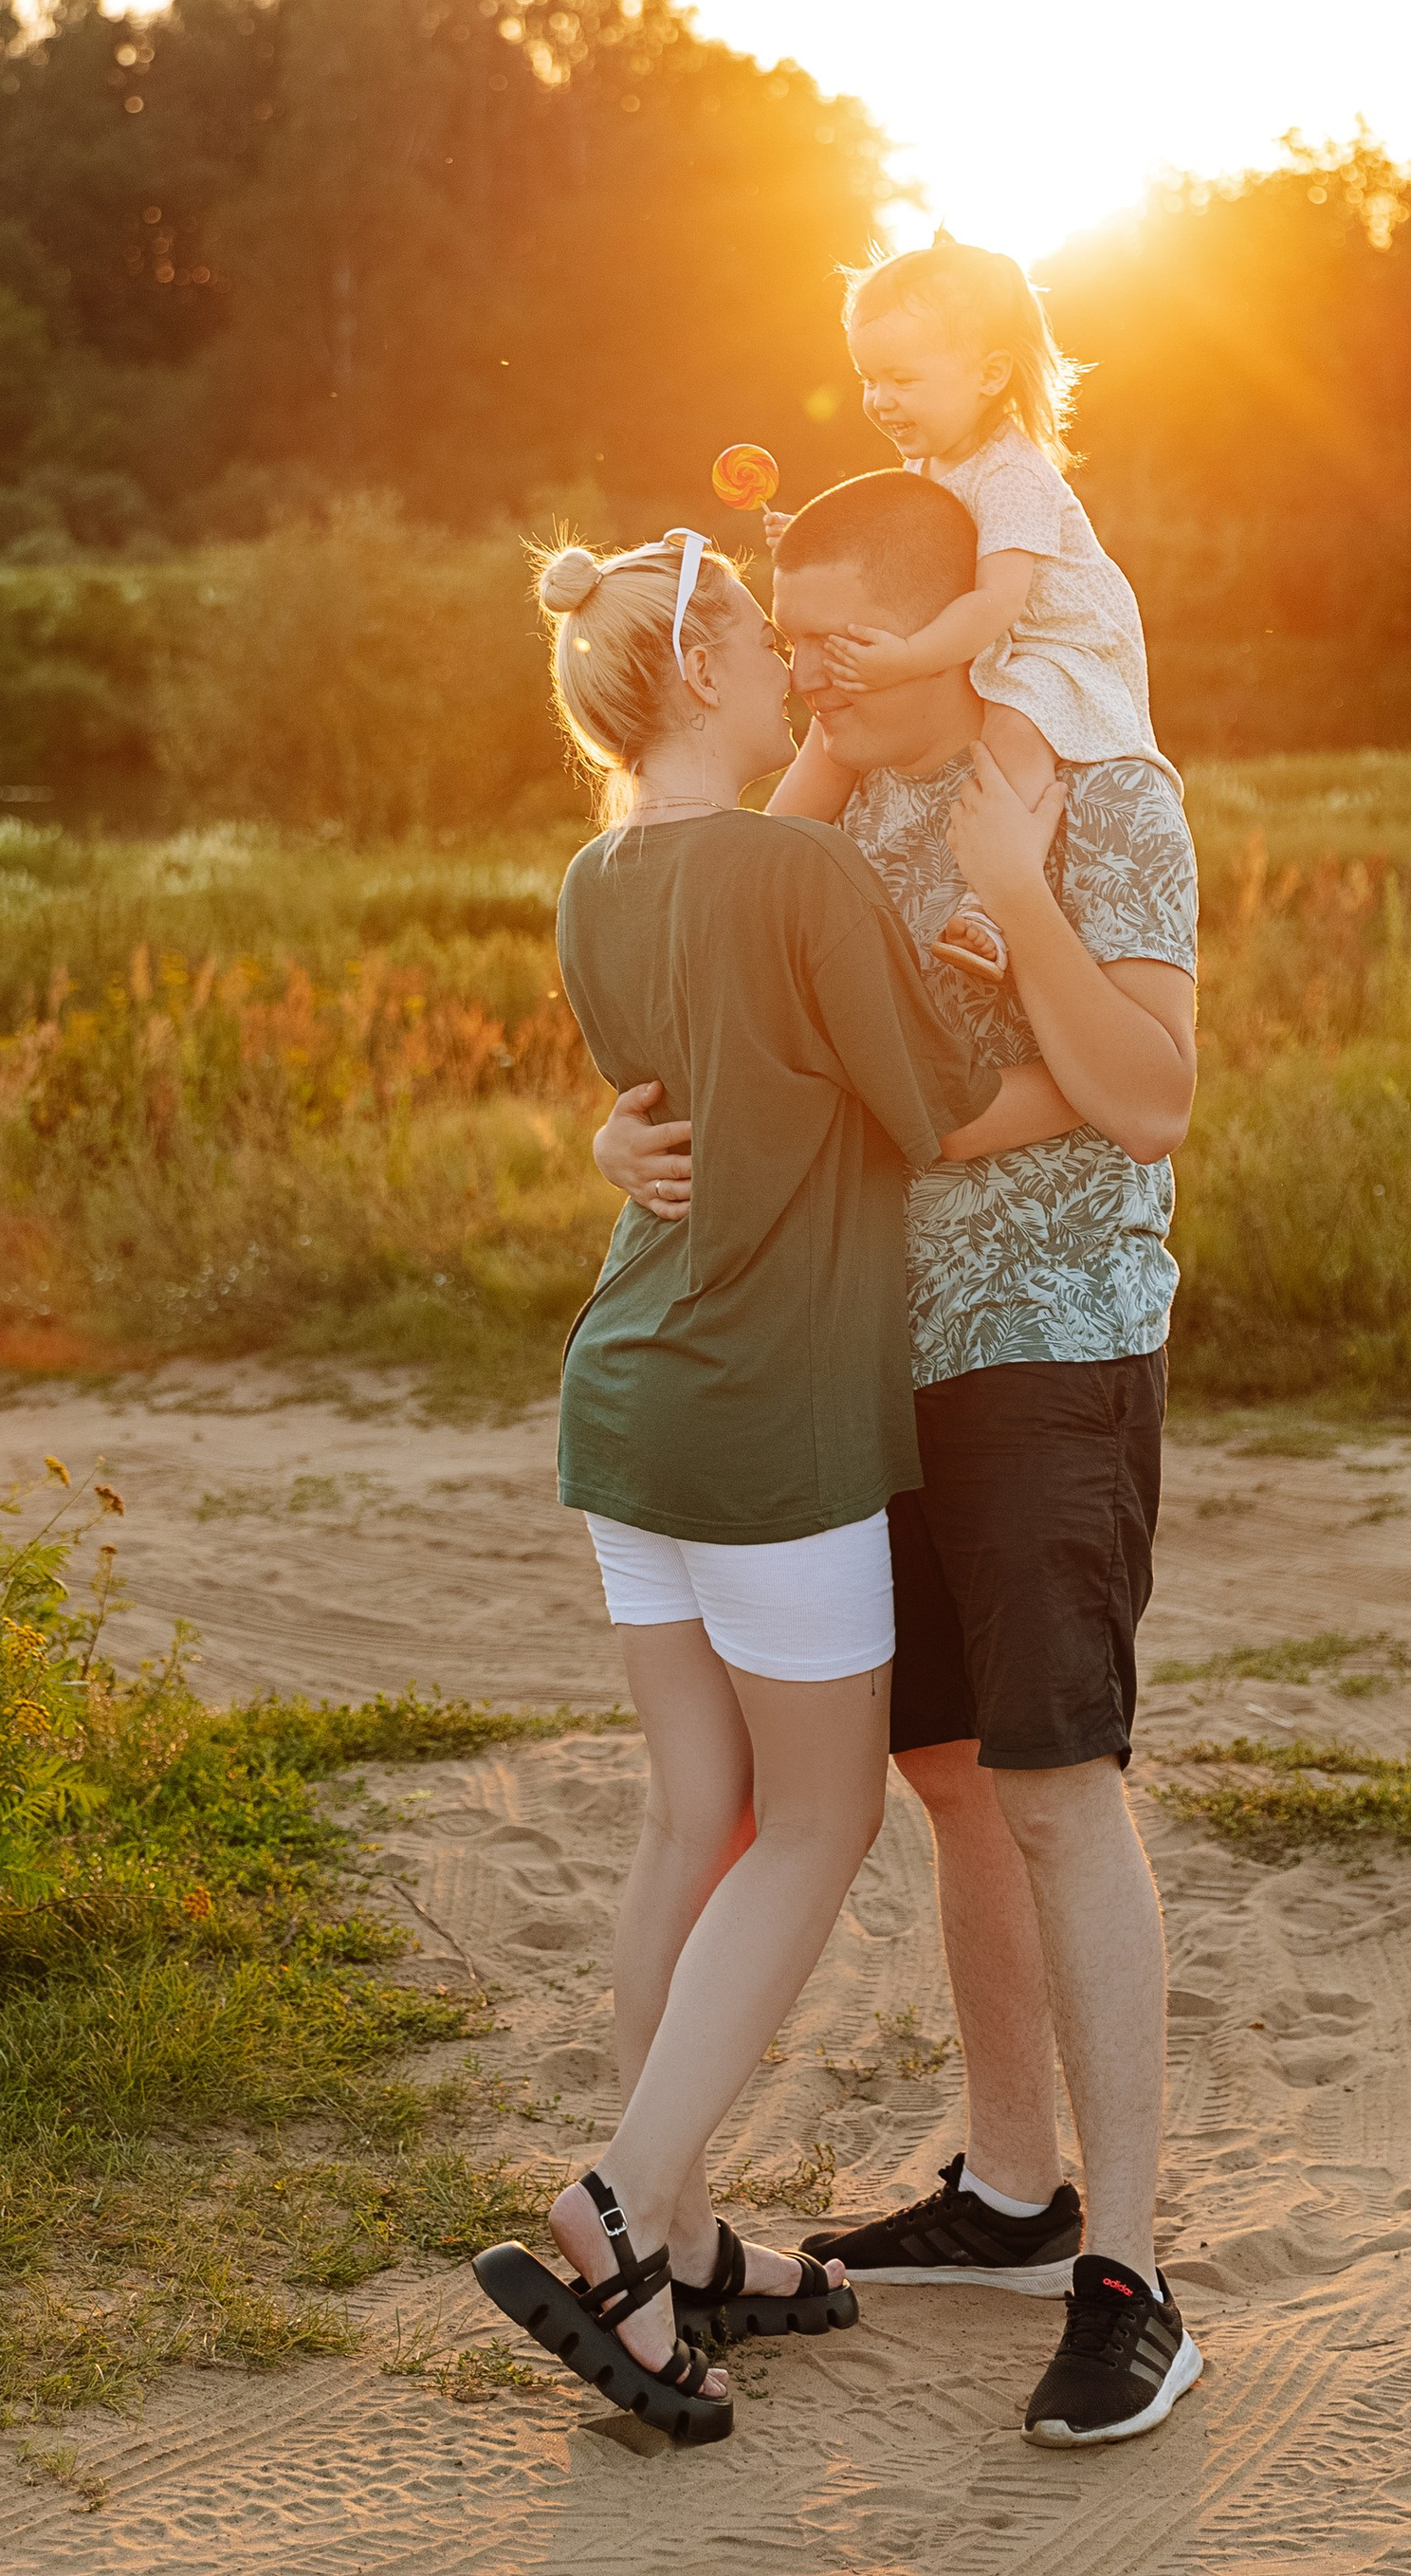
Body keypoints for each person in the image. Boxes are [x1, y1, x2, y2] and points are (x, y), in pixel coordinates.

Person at [596, 466, 1205, 2450]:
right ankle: (1014, 2193)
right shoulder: (823, 815)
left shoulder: (1101, 797)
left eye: (844, 636)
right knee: (943, 1779)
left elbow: (1146, 1094)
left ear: (950, 619)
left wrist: (1014, 896)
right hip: (861, 1372)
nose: (813, 670)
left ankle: (1128, 2275)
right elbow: (699, 1020)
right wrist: (615, 1134)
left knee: (1056, 1786)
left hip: (1047, 1345)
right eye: (792, 640)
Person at [470, 524, 1077, 2443]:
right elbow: (930, 1109)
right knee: (813, 1822)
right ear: (712, 666)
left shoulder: (591, 880)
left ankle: (678, 2236)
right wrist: (1044, 1010)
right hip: (767, 1417)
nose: (794, 671)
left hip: (629, 1395)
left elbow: (677, 1098)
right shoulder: (803, 872)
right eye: (765, 637)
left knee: (695, 1817)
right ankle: (623, 2207)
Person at [769, 237, 1171, 983]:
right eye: (868, 379)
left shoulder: (1013, 474)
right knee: (836, 734)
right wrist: (813, 538)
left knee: (1014, 728)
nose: (880, 400)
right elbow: (900, 545)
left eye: (902, 379)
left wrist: (907, 657)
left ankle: (990, 902)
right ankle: (755, 862)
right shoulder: (929, 456)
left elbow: (997, 601)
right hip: (991, 629)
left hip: (1058, 642)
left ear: (990, 375)